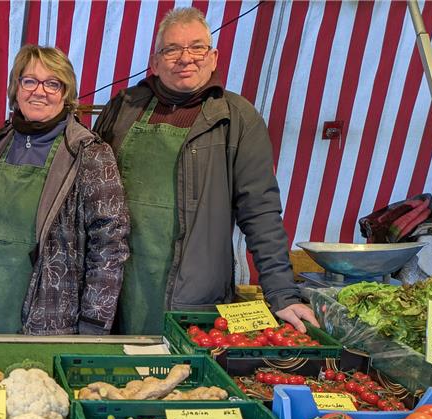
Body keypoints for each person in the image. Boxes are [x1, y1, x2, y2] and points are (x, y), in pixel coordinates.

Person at [93, 7, 319, 335]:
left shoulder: (238, 119)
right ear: (155, 62)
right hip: (117, 288)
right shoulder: (124, 107)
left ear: (213, 57)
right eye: (172, 49)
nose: (186, 58)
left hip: (194, 295)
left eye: (197, 47)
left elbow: (261, 212)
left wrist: (282, 292)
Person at [0, 45, 129, 335]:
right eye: (29, 81)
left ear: (66, 94)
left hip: (48, 321)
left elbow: (109, 247)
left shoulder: (89, 153)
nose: (39, 91)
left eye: (53, 83)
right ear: (16, 88)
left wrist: (93, 324)